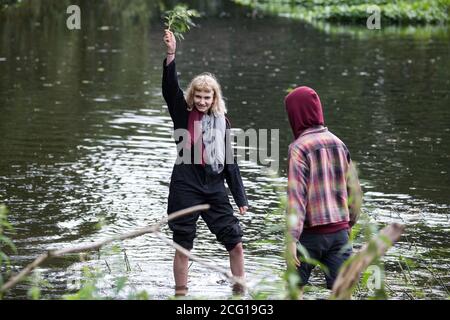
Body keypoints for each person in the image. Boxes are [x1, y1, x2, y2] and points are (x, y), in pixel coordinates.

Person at [162, 29, 248, 296]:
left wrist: (240, 197)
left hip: (214, 187)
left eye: (206, 97)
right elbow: (169, 87)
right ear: (192, 96)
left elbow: (230, 162)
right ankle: (181, 294)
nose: (201, 101)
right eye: (197, 96)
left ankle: (239, 291)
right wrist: (171, 53)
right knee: (183, 245)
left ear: (214, 99)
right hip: (186, 185)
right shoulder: (181, 111)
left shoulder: (222, 122)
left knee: (235, 243)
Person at [285, 86, 362, 294]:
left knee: (294, 290)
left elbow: (296, 197)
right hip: (339, 233)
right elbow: (355, 191)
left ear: (296, 114)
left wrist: (292, 238)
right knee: (342, 292)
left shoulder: (299, 148)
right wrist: (349, 223)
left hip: (309, 235)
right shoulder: (339, 143)